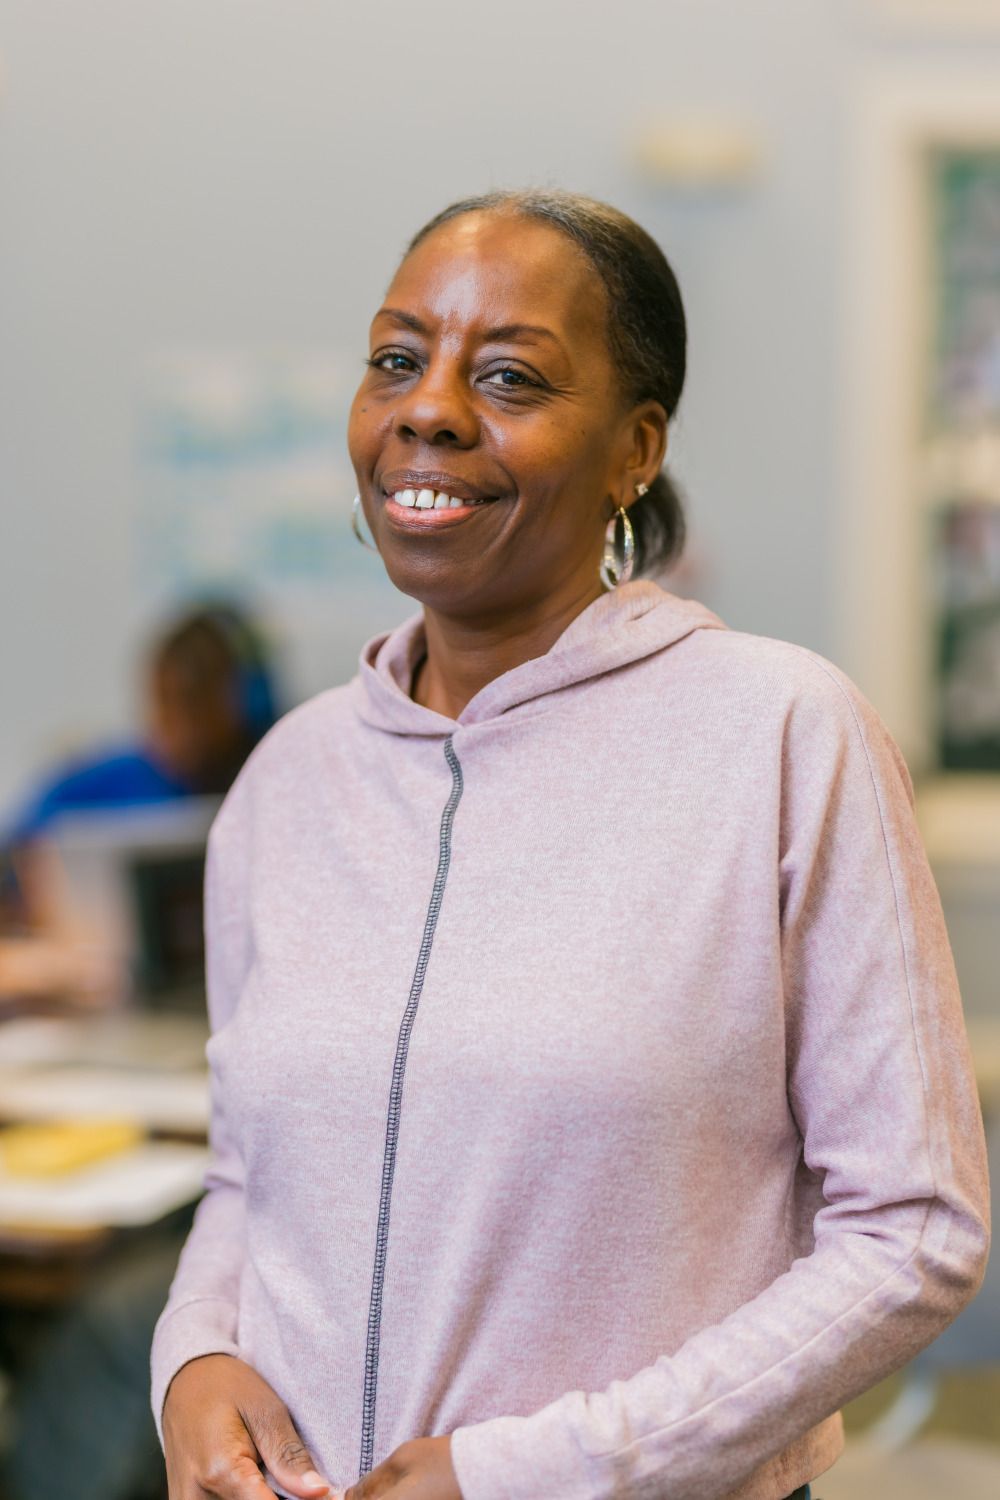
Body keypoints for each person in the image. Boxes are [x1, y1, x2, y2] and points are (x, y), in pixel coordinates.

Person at [150, 191, 991, 1500]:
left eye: (509, 377)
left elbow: (915, 1230)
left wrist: (539, 1471)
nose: (428, 410)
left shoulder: (781, 736)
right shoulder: (287, 781)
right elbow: (250, 1180)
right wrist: (194, 1359)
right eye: (395, 360)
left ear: (634, 449)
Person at [0, 601, 279, 1002]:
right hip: (102, 996)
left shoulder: (274, 779)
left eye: (197, 704)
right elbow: (15, 858)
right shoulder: (100, 782)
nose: (182, 728)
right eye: (167, 702)